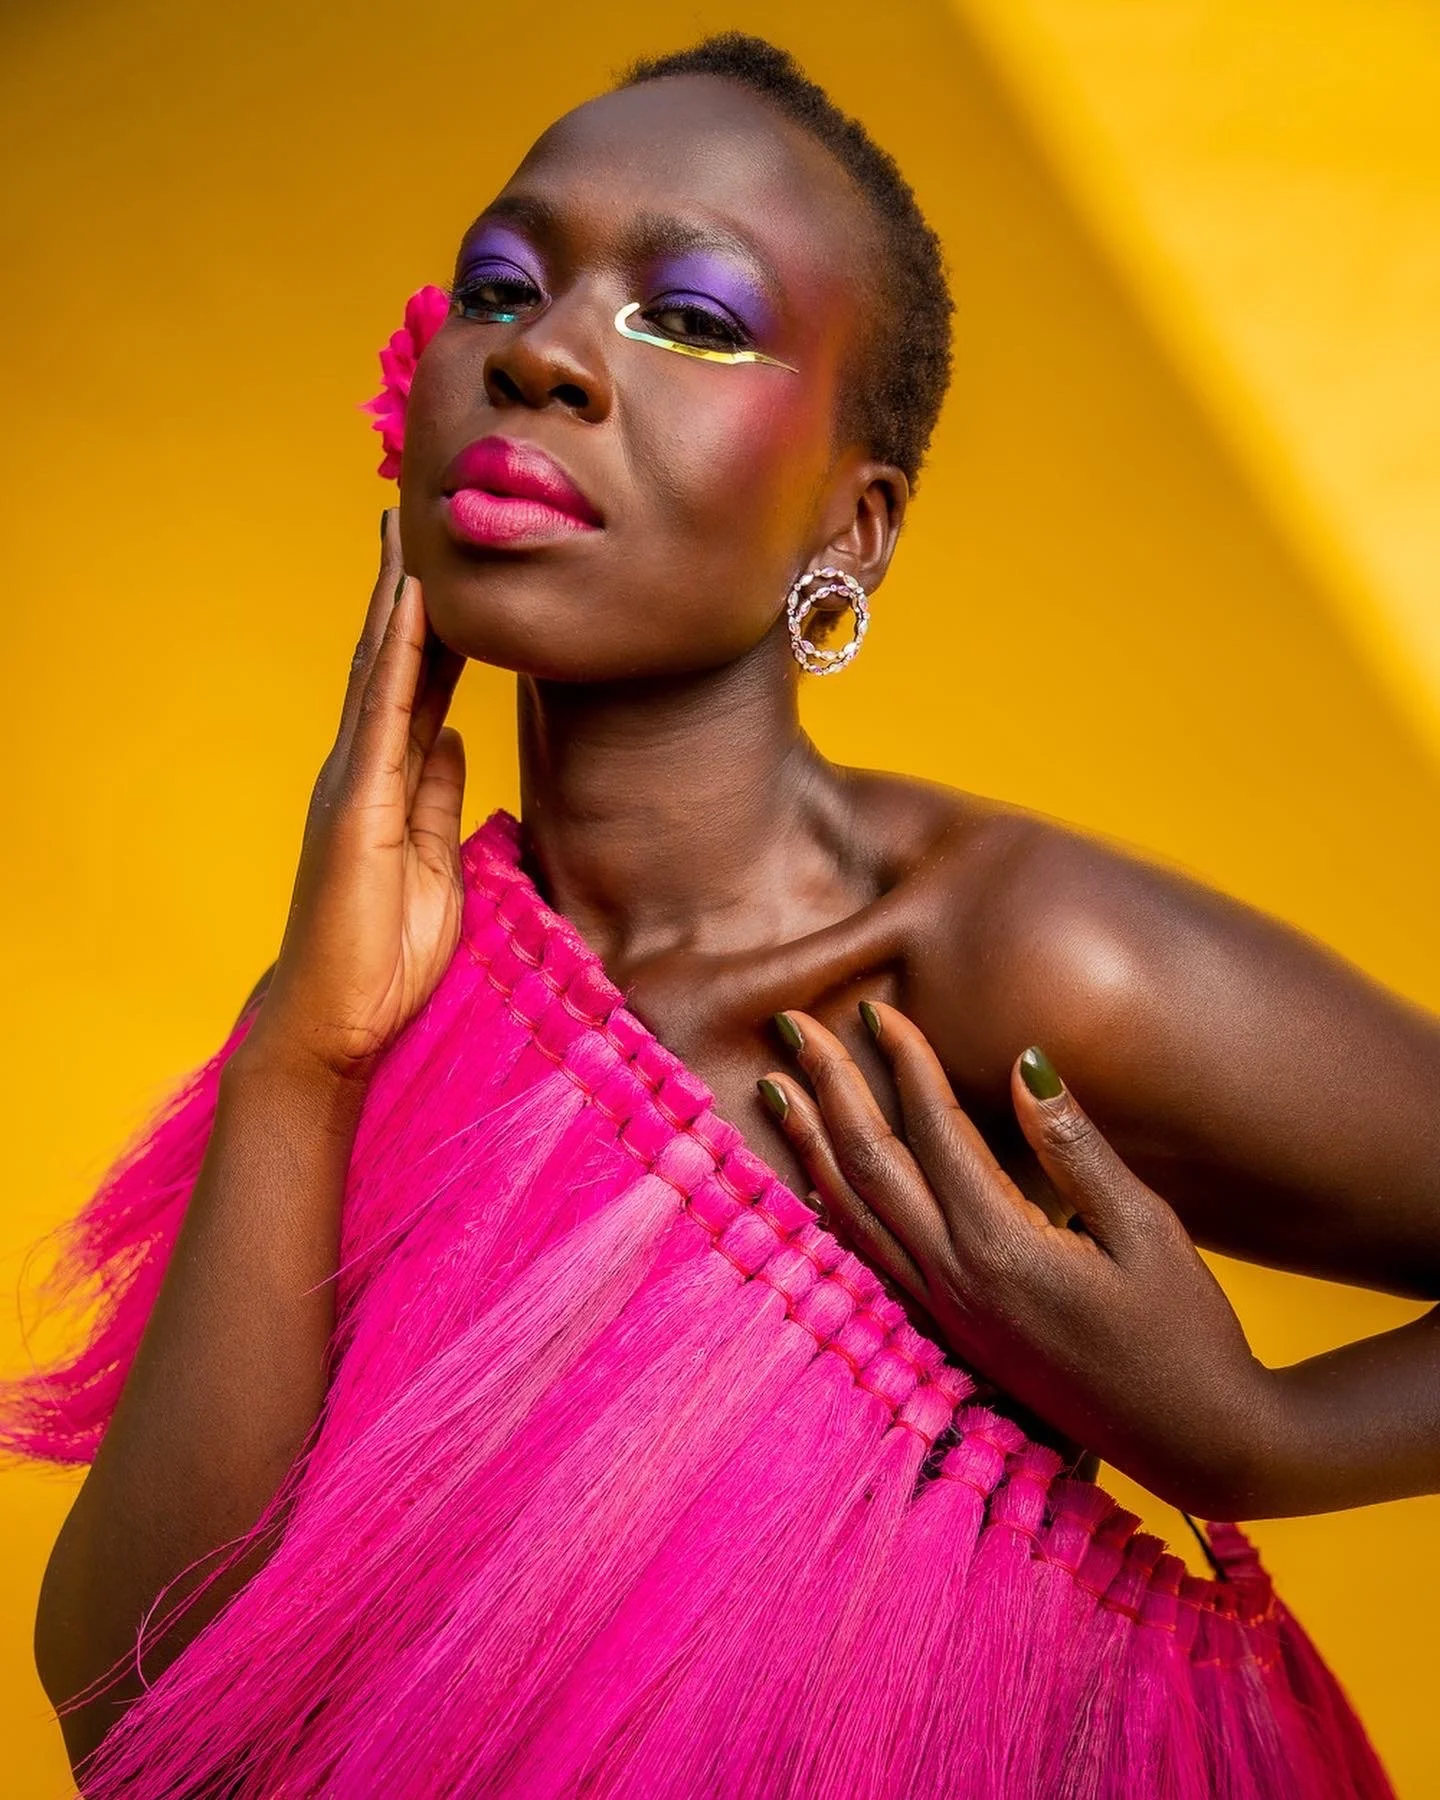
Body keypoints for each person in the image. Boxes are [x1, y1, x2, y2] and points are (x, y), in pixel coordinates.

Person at [9, 30, 1436, 1798]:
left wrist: (1258, 1438)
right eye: (504, 286)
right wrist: (303, 1050)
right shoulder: (396, 969)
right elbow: (138, 1720)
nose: (542, 356)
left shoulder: (997, 961)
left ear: (854, 523)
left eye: (690, 317)